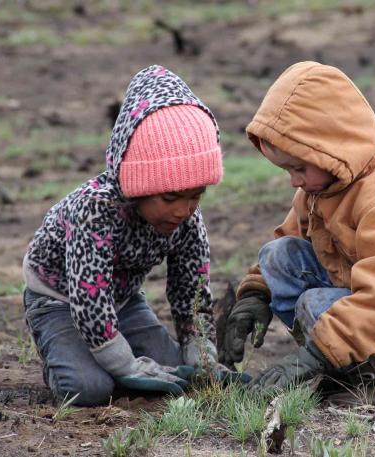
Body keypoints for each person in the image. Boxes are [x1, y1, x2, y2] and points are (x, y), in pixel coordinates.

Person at [220, 61, 375, 405]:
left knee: (315, 305)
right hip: (366, 290)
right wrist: (255, 296)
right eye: (287, 170)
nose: (294, 181)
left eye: (299, 168)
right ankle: (346, 364)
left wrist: (313, 356)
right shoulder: (325, 184)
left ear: (331, 149)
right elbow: (289, 237)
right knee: (277, 257)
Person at [23, 65, 233, 406]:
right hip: (57, 299)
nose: (185, 210)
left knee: (176, 371)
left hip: (123, 301)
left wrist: (202, 355)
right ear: (139, 185)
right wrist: (122, 362)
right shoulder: (95, 209)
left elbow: (191, 291)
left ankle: (110, 357)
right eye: (171, 197)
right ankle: (64, 357)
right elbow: (89, 300)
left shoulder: (187, 219)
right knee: (89, 388)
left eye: (197, 195)